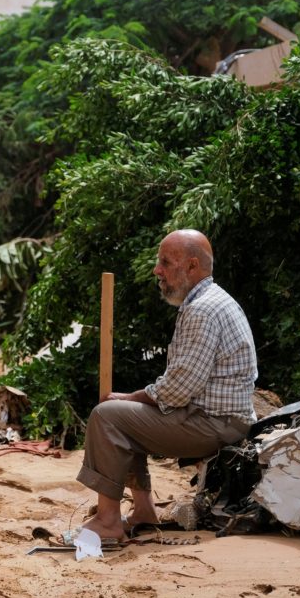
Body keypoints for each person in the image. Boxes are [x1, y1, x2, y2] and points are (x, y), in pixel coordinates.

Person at [75, 229, 257, 544]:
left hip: (215, 424)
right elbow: (178, 388)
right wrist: (135, 402)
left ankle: (107, 521)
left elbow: (178, 389)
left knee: (107, 417)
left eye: (165, 262)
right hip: (220, 419)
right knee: (126, 414)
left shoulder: (202, 310)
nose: (157, 270)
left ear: (192, 266)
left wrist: (130, 397)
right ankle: (144, 510)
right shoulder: (211, 300)